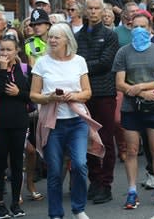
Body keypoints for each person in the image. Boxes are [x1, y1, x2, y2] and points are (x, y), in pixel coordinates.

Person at [31, 23, 101, 219]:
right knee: (54, 171)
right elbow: (33, 95)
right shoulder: (41, 63)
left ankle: (78, 208)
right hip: (52, 124)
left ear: (67, 40)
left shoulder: (79, 61)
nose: (52, 40)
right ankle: (55, 214)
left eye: (56, 37)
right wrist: (50, 98)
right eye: (50, 37)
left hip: (76, 121)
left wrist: (74, 96)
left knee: (79, 164)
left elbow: (88, 92)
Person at [113, 13, 154, 209]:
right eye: (134, 26)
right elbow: (120, 83)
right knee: (132, 150)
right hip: (131, 108)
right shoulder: (123, 52)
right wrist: (140, 93)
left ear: (149, 28)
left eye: (142, 26)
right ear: (130, 28)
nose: (138, 29)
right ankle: (131, 191)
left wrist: (142, 88)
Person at [75, 0, 120, 205]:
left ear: (103, 12)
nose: (93, 12)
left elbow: (105, 63)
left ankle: (106, 183)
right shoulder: (78, 36)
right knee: (89, 138)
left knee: (105, 138)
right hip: (84, 93)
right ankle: (94, 180)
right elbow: (73, 60)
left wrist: (82, 67)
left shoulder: (110, 36)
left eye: (96, 9)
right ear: (85, 11)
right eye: (90, 9)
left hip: (104, 92)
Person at [0, 35, 31, 219]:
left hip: (19, 121)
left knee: (17, 162)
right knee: (0, 163)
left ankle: (15, 203)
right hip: (1, 122)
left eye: (8, 50)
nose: (5, 53)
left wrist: (18, 92)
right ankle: (0, 204)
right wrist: (4, 70)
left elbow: (31, 94)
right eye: (2, 50)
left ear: (16, 51)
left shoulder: (25, 69)